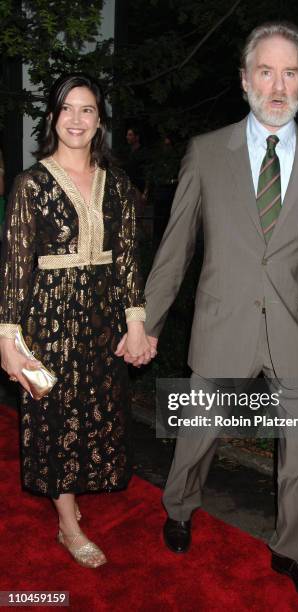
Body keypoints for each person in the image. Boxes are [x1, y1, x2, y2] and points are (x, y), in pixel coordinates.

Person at [131, 21, 298, 606]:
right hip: (224, 323)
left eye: (290, 73)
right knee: (198, 434)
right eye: (266, 71)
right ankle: (179, 509)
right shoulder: (206, 152)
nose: (278, 86)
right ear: (245, 79)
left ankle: (291, 549)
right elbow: (176, 248)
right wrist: (147, 323)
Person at [0, 73, 154, 568]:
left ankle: (72, 502)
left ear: (100, 122)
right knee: (53, 417)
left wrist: (135, 322)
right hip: (48, 324)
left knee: (97, 413)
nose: (76, 119)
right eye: (67, 109)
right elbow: (15, 268)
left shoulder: (119, 185)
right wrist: (8, 339)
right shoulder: (31, 184)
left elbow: (128, 259)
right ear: (52, 118)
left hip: (102, 321)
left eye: (87, 110)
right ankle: (67, 525)